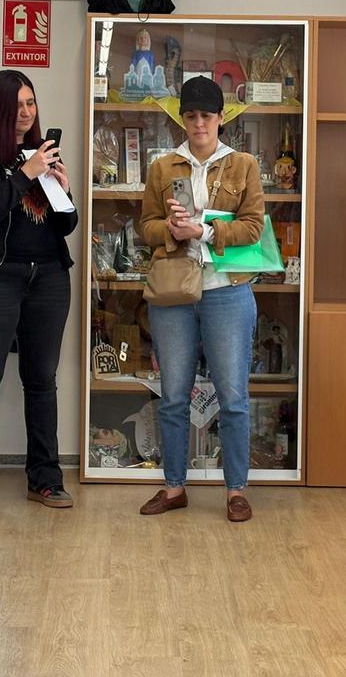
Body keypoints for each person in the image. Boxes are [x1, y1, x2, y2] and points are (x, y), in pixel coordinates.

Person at [137, 75, 264, 523]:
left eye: (206, 115)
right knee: (172, 394)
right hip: (174, 292)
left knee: (232, 396)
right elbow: (145, 227)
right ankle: (174, 487)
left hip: (227, 290)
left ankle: (236, 490)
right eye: (190, 116)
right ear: (182, 118)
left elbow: (253, 227)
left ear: (221, 117)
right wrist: (171, 232)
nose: (198, 123)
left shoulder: (243, 165)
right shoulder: (162, 166)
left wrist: (204, 231)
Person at [0, 70, 77, 513]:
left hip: (47, 278)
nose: (27, 113)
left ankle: (45, 477)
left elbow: (65, 225)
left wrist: (63, 192)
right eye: (18, 106)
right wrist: (24, 174)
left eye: (31, 103)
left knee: (42, 380)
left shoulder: (41, 155)